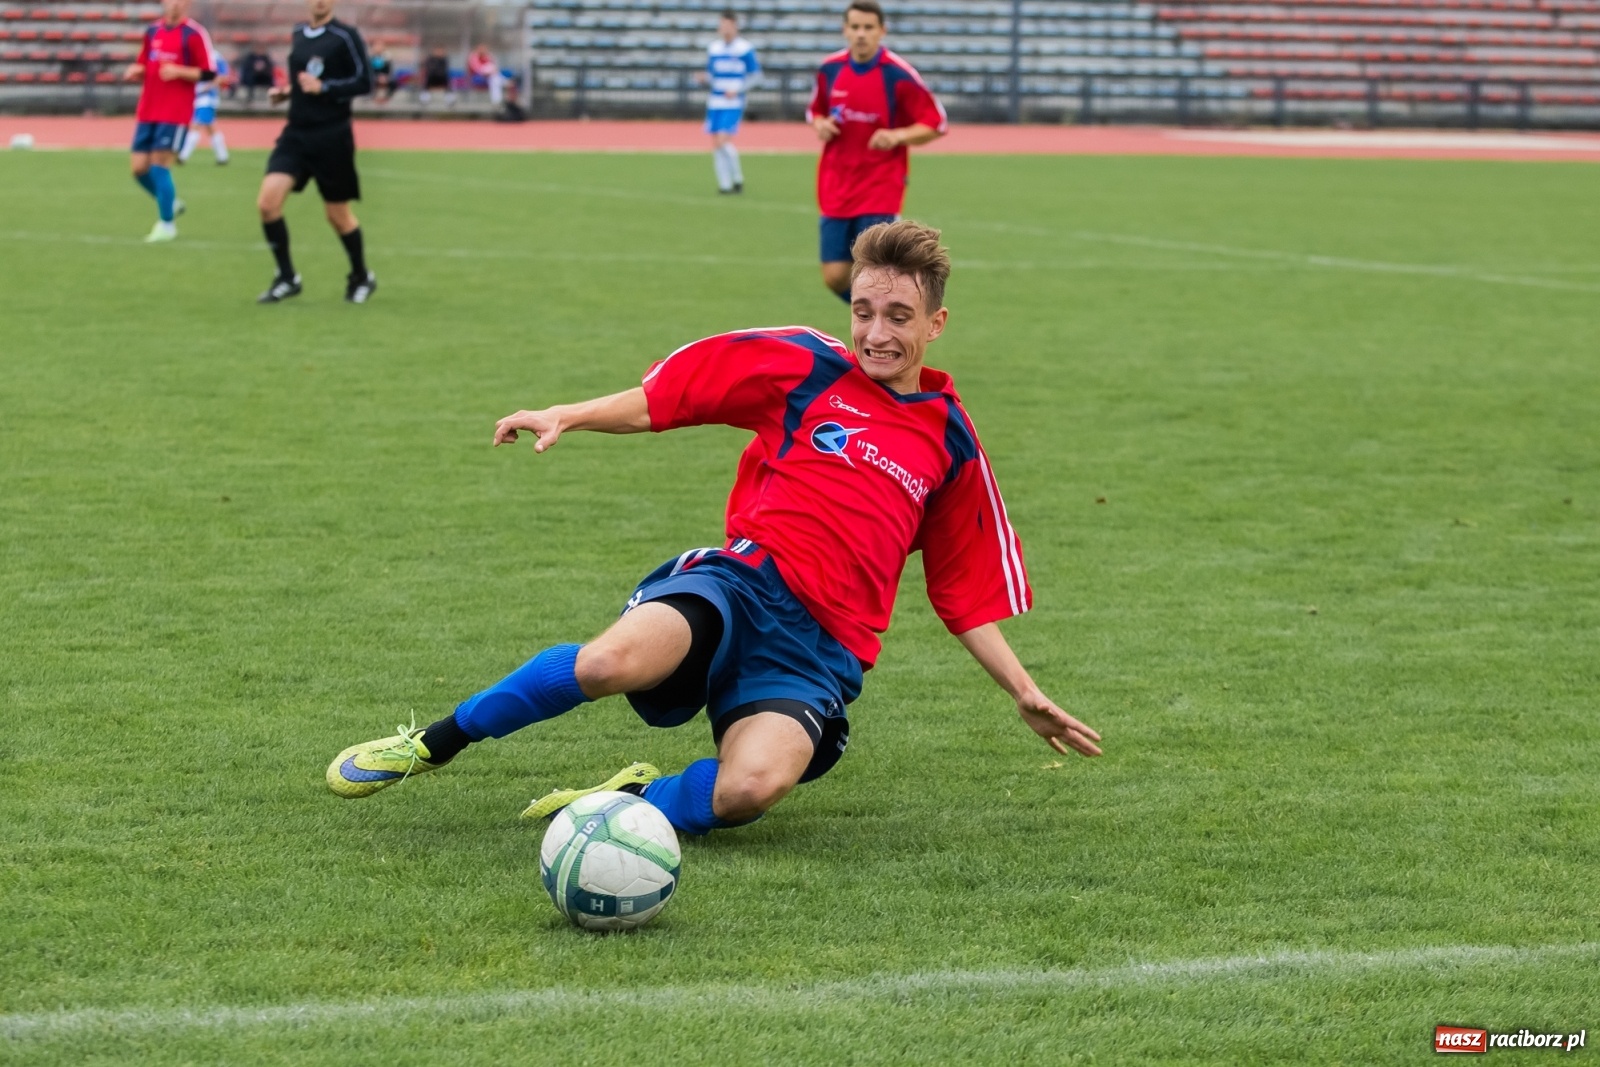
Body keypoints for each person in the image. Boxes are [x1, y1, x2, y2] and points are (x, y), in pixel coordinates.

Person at [326, 221, 1101, 838]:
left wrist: (1025, 692)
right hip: (741, 584)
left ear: (936, 321)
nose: (876, 332)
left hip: (821, 651)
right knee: (607, 663)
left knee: (748, 790)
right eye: (864, 311)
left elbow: (963, 592)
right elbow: (670, 398)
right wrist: (571, 414)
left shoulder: (950, 440)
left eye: (898, 316)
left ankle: (618, 805)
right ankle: (432, 742)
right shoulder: (805, 365)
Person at [806, 0, 946, 301]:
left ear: (882, 31)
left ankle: (886, 327)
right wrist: (819, 124)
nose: (861, 34)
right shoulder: (830, 69)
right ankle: (882, 316)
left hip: (879, 185)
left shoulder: (898, 74)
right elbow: (814, 110)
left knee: (877, 274)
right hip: (836, 184)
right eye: (855, 27)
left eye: (868, 28)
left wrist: (897, 136)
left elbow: (936, 123)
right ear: (845, 29)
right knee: (834, 276)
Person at [255, 0, 376, 305]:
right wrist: (287, 93)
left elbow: (365, 83)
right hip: (296, 134)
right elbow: (302, 81)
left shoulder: (346, 36)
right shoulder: (298, 33)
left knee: (338, 216)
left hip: (331, 136)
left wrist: (325, 88)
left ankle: (361, 276)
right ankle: (287, 278)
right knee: (268, 204)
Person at [122, 0, 217, 242]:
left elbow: (209, 72)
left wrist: (179, 71)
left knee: (159, 165)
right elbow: (145, 62)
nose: (174, 4)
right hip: (148, 110)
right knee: (138, 169)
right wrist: (137, 71)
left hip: (175, 112)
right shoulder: (153, 31)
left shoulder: (194, 34)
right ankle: (170, 203)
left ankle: (167, 225)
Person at [702, 11, 759, 195]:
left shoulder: (744, 49)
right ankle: (726, 184)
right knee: (716, 143)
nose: (724, 29)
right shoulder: (714, 48)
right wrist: (705, 79)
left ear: (735, 26)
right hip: (715, 100)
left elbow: (757, 76)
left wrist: (738, 89)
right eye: (722, 25)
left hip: (733, 102)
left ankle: (737, 178)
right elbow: (713, 75)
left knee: (722, 140)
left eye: (727, 25)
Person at [178, 53, 230, 165]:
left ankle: (183, 156)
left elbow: (223, 76)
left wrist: (209, 86)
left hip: (207, 98)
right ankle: (222, 156)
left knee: (196, 125)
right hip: (196, 97)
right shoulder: (195, 55)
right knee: (210, 127)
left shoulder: (215, 57)